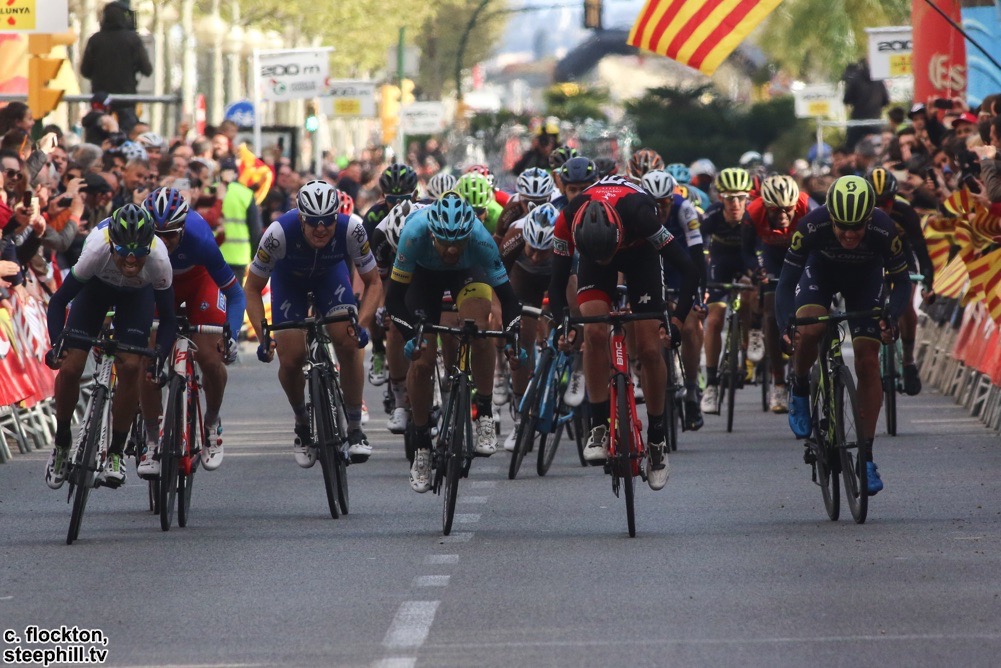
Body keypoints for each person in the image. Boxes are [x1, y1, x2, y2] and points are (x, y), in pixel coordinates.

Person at [548, 174, 698, 491]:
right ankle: (599, 424)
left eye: (608, 252)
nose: (607, 260)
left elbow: (688, 268)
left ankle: (656, 438)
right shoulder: (567, 218)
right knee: (593, 331)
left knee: (650, 347)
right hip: (593, 255)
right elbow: (557, 282)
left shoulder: (642, 214)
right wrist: (562, 325)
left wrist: (677, 320)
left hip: (640, 255)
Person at [776, 175, 911, 495]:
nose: (850, 235)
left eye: (857, 228)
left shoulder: (884, 228)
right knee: (810, 328)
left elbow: (902, 282)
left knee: (868, 362)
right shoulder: (812, 225)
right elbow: (785, 283)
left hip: (866, 280)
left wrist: (891, 316)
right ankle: (799, 385)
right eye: (842, 227)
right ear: (831, 218)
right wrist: (785, 327)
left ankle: (866, 457)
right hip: (820, 274)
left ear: (869, 219)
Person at [384, 194, 524, 493]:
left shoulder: (480, 239)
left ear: (468, 235)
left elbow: (509, 300)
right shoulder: (414, 234)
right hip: (424, 277)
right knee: (421, 362)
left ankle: (484, 412)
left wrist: (513, 336)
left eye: (458, 242)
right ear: (432, 234)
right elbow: (393, 299)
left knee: (480, 328)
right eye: (445, 242)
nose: (451, 249)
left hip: (467, 273)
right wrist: (410, 337)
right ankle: (422, 445)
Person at [245, 181, 382, 467]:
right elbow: (252, 288)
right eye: (313, 222)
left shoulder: (352, 229)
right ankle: (302, 422)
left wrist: (362, 325)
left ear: (336, 217)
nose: (321, 229)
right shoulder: (278, 234)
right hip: (289, 283)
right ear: (301, 218)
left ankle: (355, 428)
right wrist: (263, 336)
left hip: (329, 278)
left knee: (348, 342)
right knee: (292, 358)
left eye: (328, 221)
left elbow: (373, 282)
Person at [43, 204, 176, 489]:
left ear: (149, 247)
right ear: (112, 244)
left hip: (137, 296)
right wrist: (57, 345)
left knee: (131, 366)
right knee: (70, 367)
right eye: (124, 250)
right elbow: (58, 301)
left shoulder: (159, 259)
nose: (131, 258)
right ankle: (62, 440)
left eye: (139, 251)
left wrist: (158, 359)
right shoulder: (95, 249)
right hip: (96, 289)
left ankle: (116, 451)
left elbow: (168, 319)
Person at [137, 188, 246, 475]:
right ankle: (151, 440)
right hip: (159, 284)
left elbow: (236, 294)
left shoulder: (200, 238)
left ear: (183, 228)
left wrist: (232, 334)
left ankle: (211, 422)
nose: (163, 242)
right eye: (156, 235)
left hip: (199, 282)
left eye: (170, 234)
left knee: (210, 356)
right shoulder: (139, 240)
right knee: (147, 359)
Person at [742, 174, 812, 412]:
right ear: (765, 206)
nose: (782, 215)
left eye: (787, 209)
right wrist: (757, 270)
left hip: (802, 254)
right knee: (771, 315)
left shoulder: (808, 207)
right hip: (772, 257)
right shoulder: (752, 213)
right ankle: (778, 381)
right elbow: (746, 251)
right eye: (775, 210)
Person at [867, 167, 935, 395]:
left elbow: (921, 250)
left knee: (905, 303)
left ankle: (908, 360)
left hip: (901, 257)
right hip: (872, 257)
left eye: (886, 202)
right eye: (876, 203)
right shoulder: (861, 214)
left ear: (894, 198)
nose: (881, 208)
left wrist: (928, 284)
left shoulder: (905, 212)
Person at [700, 167, 755, 415]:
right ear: (720, 198)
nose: (736, 204)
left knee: (750, 297)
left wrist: (756, 274)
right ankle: (711, 384)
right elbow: (699, 248)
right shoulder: (712, 215)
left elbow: (761, 251)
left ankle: (748, 344)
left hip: (746, 260)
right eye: (730, 198)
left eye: (741, 198)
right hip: (720, 263)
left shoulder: (752, 216)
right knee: (714, 320)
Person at [80, 1, 152, 133]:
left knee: (99, 134)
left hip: (101, 100)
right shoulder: (133, 39)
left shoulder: (95, 40)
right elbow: (147, 69)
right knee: (127, 133)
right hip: (126, 99)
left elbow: (85, 70)